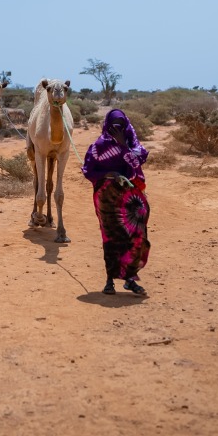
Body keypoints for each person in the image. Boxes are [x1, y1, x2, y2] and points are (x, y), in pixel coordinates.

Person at [81, 109, 151, 296]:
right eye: (114, 125)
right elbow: (88, 170)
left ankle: (130, 278)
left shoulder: (133, 145)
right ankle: (109, 280)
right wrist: (107, 174)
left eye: (121, 124)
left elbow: (137, 164)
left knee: (136, 236)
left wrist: (123, 146)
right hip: (106, 198)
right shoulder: (98, 147)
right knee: (111, 237)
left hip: (131, 197)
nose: (117, 129)